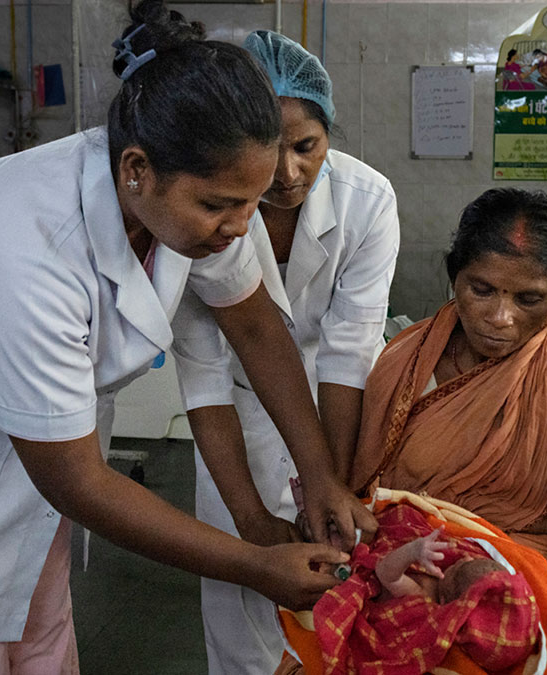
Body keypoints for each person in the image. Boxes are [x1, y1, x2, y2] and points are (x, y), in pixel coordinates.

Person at [0, 2, 358, 672]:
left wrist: (319, 474)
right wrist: (254, 564)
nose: (241, 227)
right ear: (136, 169)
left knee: (40, 625)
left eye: (252, 201)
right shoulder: (24, 247)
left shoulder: (202, 193)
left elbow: (257, 325)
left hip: (23, 450)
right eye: (218, 206)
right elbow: (78, 480)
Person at [172, 29, 399, 675]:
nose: (290, 173)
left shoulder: (368, 199)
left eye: (307, 147)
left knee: (341, 585)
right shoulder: (201, 214)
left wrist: (337, 481)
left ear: (329, 133)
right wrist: (249, 515)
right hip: (236, 410)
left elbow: (349, 351)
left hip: (338, 407)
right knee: (239, 590)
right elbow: (206, 372)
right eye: (272, 150)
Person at [348, 188, 547, 675]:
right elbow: (361, 493)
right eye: (481, 290)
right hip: (400, 579)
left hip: (522, 594)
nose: (501, 318)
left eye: (529, 299)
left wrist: (524, 610)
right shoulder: (401, 362)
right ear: (454, 278)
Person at [311, 502, 541, 674]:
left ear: (447, 602)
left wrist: (415, 550)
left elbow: (386, 574)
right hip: (376, 562)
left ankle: (311, 522)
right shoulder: (449, 598)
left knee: (339, 545)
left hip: (365, 578)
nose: (461, 558)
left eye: (457, 568)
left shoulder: (423, 596)